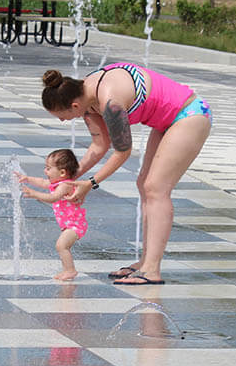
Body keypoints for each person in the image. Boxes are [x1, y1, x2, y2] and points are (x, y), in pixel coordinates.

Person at [40, 65, 212, 286]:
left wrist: (90, 183)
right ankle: (146, 262)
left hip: (191, 114)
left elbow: (122, 152)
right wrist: (69, 180)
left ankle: (152, 270)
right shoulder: (85, 96)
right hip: (165, 121)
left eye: (64, 117)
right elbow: (100, 145)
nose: (65, 121)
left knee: (156, 188)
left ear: (74, 105)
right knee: (144, 184)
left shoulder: (110, 102)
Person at [16, 148, 87, 282]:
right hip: (69, 225)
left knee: (61, 246)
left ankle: (70, 270)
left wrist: (34, 194)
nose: (45, 171)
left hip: (75, 225)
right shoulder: (57, 183)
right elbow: (42, 182)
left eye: (48, 168)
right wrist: (27, 179)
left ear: (62, 172)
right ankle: (67, 269)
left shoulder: (65, 185)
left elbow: (53, 198)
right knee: (62, 246)